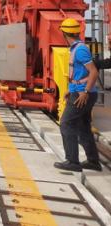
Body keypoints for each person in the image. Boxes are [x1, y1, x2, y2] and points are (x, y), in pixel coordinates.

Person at [54, 18, 102, 172]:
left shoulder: (79, 49)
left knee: (66, 124)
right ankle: (93, 162)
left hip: (83, 94)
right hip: (79, 91)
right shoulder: (76, 48)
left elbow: (93, 71)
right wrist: (71, 89)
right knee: (83, 127)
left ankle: (72, 161)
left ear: (64, 33)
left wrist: (85, 92)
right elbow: (79, 73)